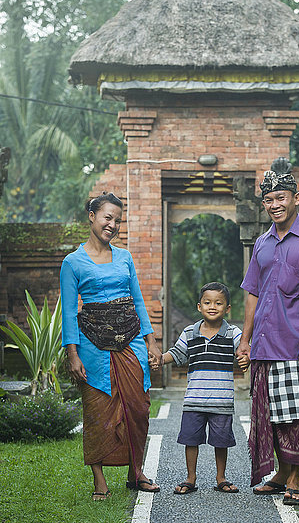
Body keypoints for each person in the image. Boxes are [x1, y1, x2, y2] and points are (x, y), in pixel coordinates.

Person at [237, 166, 299, 506]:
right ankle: (280, 473)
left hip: (295, 343)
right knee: (268, 414)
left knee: (294, 414)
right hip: (264, 344)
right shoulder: (262, 243)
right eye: (268, 200)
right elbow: (252, 292)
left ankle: (295, 479)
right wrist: (245, 339)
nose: (274, 204)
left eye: (281, 198)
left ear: (296, 198)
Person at [60, 191, 162, 500]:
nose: (113, 225)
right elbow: (68, 312)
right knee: (97, 411)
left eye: (117, 220)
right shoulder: (72, 262)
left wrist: (152, 342)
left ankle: (136, 472)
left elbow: (139, 302)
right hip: (92, 347)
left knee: (138, 407)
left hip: (131, 342)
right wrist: (73, 354)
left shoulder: (125, 257)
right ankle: (100, 480)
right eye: (108, 217)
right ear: (92, 217)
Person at [152, 282, 249, 495]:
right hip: (194, 399)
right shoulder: (189, 332)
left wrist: (246, 359)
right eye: (207, 302)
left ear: (227, 308)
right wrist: (160, 359)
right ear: (199, 306)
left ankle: (221, 478)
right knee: (190, 439)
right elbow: (176, 354)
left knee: (221, 441)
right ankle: (190, 478)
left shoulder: (233, 333)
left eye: (218, 303)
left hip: (221, 401)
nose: (212, 306)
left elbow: (244, 351)